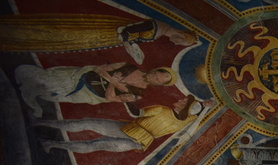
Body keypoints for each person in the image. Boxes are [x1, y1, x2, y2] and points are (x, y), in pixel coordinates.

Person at [34, 95, 210, 153]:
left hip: (137, 141)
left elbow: (198, 111)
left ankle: (52, 144)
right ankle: (42, 122)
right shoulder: (163, 109)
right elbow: (137, 113)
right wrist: (128, 101)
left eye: (183, 101)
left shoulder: (187, 119)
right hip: (128, 127)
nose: (179, 100)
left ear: (186, 108)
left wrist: (202, 105)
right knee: (88, 122)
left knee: (95, 144)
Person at [0, 14, 197, 64]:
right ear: (180, 34)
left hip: (106, 38)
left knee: (67, 41)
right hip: (105, 31)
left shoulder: (161, 32)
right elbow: (127, 31)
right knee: (61, 34)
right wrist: (129, 45)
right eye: (181, 41)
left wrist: (134, 48)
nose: (176, 44)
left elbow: (134, 37)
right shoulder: (157, 27)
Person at [15, 62, 177, 117]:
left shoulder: (138, 94)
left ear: (159, 85)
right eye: (158, 75)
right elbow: (101, 69)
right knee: (49, 81)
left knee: (53, 95)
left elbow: (111, 98)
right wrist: (112, 79)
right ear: (156, 70)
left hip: (90, 94)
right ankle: (25, 80)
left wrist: (114, 84)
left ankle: (30, 94)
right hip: (84, 77)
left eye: (159, 81)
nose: (155, 78)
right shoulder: (129, 67)